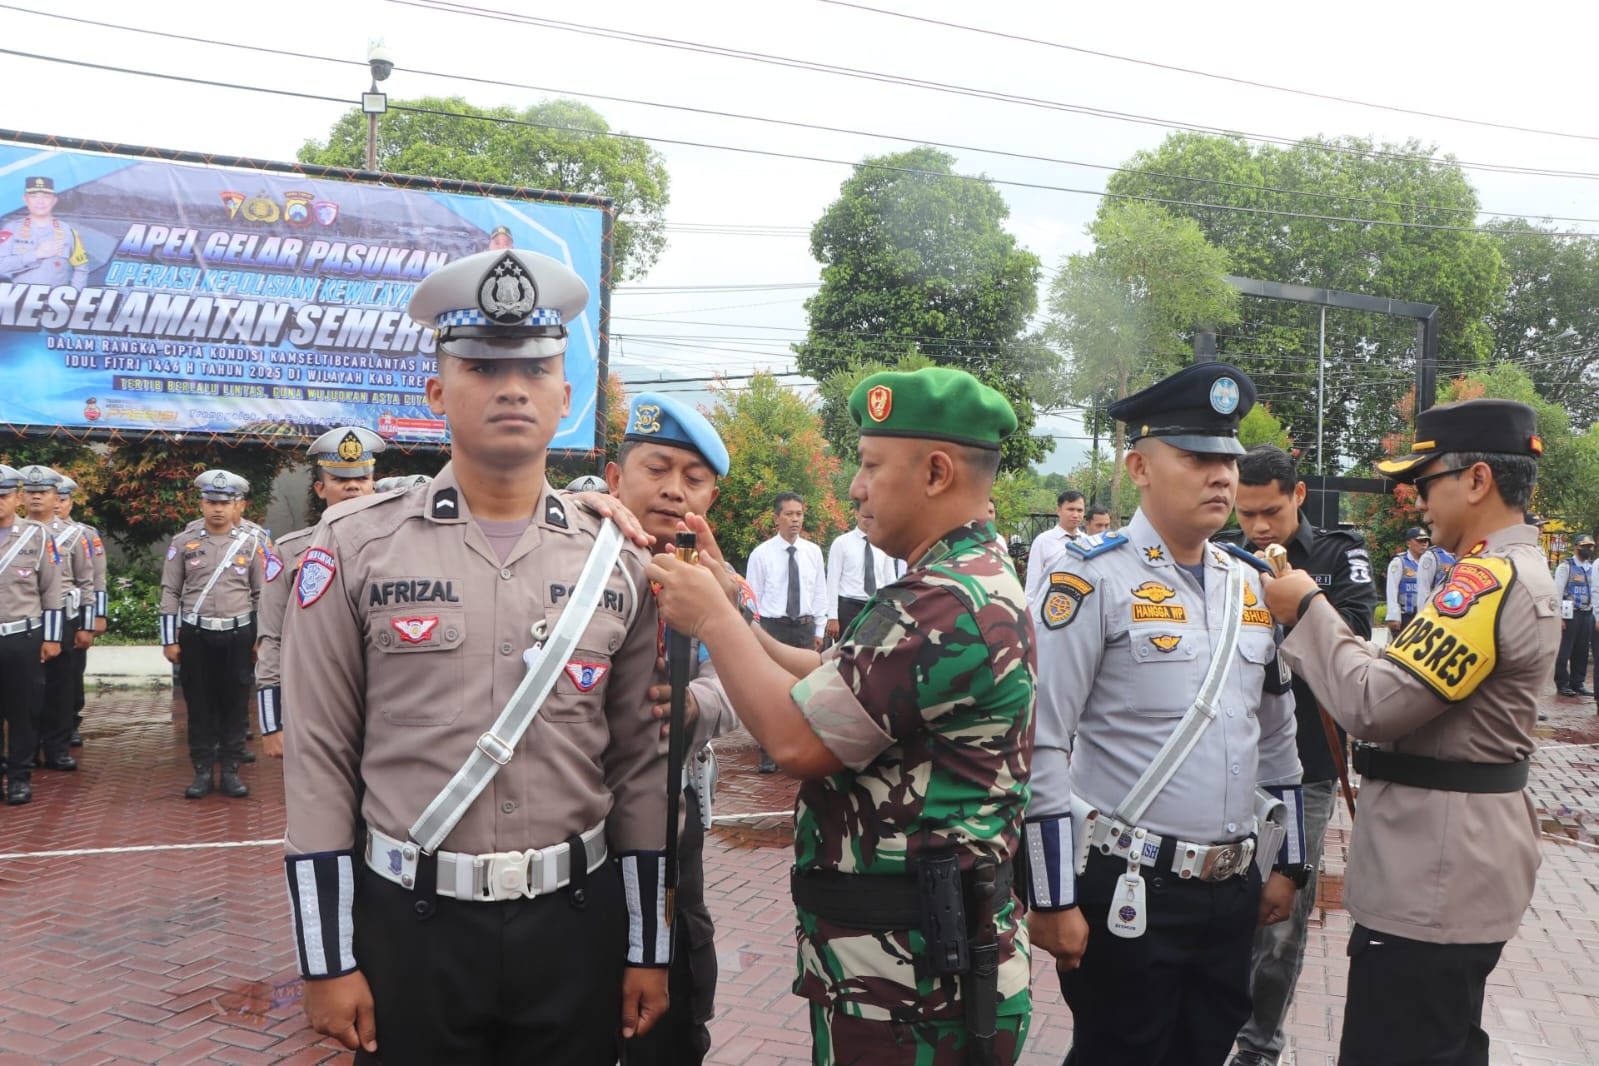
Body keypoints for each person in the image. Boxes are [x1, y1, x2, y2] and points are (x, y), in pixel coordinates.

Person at [280, 248, 669, 1064]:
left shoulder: (616, 558)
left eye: (535, 368)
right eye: (483, 366)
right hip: (409, 926)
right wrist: (326, 959)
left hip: (575, 923)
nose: (512, 388)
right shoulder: (354, 545)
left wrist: (646, 944)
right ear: (436, 391)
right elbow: (318, 756)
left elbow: (639, 761)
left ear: (566, 397)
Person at [646, 366, 1035, 1064]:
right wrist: (734, 607)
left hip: (916, 985)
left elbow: (799, 741)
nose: (855, 487)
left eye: (870, 465)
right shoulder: (951, 580)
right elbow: (830, 677)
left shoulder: (946, 600)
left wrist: (710, 621)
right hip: (897, 968)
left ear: (936, 472)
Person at [1025, 362, 1305, 1066]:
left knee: (1205, 1049)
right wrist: (1052, 897)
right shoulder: (1089, 578)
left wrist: (1290, 863)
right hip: (1129, 887)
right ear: (1139, 468)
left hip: (1231, 889)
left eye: (1228, 461)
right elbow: (1042, 741)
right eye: (1196, 458)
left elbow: (1277, 737)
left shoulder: (1252, 585)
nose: (1221, 477)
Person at [1263, 398, 1555, 1066]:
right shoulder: (1509, 570)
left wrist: (1308, 608)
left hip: (1433, 875)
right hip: (1452, 861)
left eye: (1426, 482)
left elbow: (1374, 704)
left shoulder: (1484, 583)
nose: (1418, 501)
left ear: (1477, 480)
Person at [1227, 444, 1376, 1066]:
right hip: (1231, 763)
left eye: (1271, 511)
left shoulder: (1341, 555)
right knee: (1221, 907)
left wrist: (1295, 605)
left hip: (1308, 766)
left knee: (1282, 919)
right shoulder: (1223, 558)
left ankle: (1258, 1046)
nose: (1259, 527)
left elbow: (1356, 636)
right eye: (1246, 514)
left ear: (1298, 495)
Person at [605, 391, 740, 1066]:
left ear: (711, 496)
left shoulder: (714, 579)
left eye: (694, 478)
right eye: (656, 469)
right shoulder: (570, 556)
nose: (673, 490)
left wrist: (694, 703)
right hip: (573, 813)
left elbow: (738, 683)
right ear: (615, 478)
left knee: (676, 972)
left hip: (670, 809)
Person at [255, 427, 387, 760]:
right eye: (340, 479)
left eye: (362, 478)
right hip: (318, 701)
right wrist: (272, 723)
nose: (353, 486)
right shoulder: (290, 552)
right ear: (320, 488)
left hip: (388, 702)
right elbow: (272, 637)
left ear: (374, 484)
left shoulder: (399, 549)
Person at [158, 470, 266, 798]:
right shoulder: (183, 543)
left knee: (235, 704)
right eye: (212, 502)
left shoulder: (252, 543)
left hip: (238, 634)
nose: (218, 508)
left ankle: (231, 771)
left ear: (236, 505)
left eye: (225, 503)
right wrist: (169, 639)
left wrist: (261, 639)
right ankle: (202, 771)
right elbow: (170, 591)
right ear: (202, 504)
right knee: (200, 705)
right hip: (196, 635)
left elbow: (263, 595)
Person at [19, 465, 94, 772]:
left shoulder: (75, 535)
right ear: (22, 497)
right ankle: (27, 749)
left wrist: (87, 625)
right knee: (25, 687)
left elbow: (87, 581)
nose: (36, 497)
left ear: (57, 497)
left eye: (44, 492)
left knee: (61, 687)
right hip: (26, 616)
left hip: (63, 616)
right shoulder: (12, 532)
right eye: (31, 492)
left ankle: (57, 749)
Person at [744, 491, 826, 772]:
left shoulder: (813, 552)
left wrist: (819, 629)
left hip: (804, 628)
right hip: (773, 627)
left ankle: (802, 750)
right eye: (789, 514)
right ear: (776, 518)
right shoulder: (761, 554)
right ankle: (769, 755)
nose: (795, 520)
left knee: (807, 691)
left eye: (799, 514)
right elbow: (752, 599)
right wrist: (756, 634)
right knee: (771, 691)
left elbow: (819, 592)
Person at [0, 463, 63, 806]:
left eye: (4, 495)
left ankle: (19, 778)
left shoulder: (37, 537)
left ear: (17, 498)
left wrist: (52, 637)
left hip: (22, 638)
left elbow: (51, 591)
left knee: (23, 711)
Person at [54, 476, 105, 748]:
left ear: (71, 503)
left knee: (72, 673)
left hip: (72, 614)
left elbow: (96, 579)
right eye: (54, 498)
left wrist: (97, 616)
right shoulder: (26, 532)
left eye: (62, 499)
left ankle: (71, 721)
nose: (56, 504)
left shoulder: (85, 534)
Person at [0, 176, 91, 287]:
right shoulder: (11, 229)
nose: (40, 202)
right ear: (25, 199)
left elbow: (81, 269)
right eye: (33, 196)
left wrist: (74, 294)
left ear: (54, 200)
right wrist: (36, 255)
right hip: (19, 297)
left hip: (56, 297)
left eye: (46, 197)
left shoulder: (68, 231)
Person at [825, 509, 896, 641]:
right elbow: (832, 581)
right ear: (856, 513)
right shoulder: (841, 543)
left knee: (871, 649)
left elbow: (890, 580)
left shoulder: (884, 542)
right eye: (864, 514)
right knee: (846, 649)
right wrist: (832, 616)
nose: (867, 519)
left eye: (871, 515)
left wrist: (891, 611)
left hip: (876, 607)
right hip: (848, 607)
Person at [1552, 533, 1598, 697]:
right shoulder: (1566, 567)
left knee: (1582, 650)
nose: (1588, 549)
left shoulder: (1591, 568)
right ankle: (1562, 683)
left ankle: (1577, 683)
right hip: (1569, 613)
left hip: (1587, 613)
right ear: (1577, 547)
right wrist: (1559, 617)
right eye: (1585, 546)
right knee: (1565, 650)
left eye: (1590, 547)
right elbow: (1557, 592)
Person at [1024, 489, 1087, 601]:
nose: (1076, 515)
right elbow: (1033, 583)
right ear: (1058, 510)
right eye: (1070, 509)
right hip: (1049, 604)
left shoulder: (1087, 541)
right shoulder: (1043, 541)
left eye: (1080, 510)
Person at [1385, 526, 1432, 633]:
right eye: (1419, 541)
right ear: (1408, 543)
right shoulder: (1399, 562)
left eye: (1426, 541)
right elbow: (1392, 590)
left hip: (1424, 616)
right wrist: (1393, 616)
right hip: (1405, 615)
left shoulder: (1430, 563)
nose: (1424, 544)